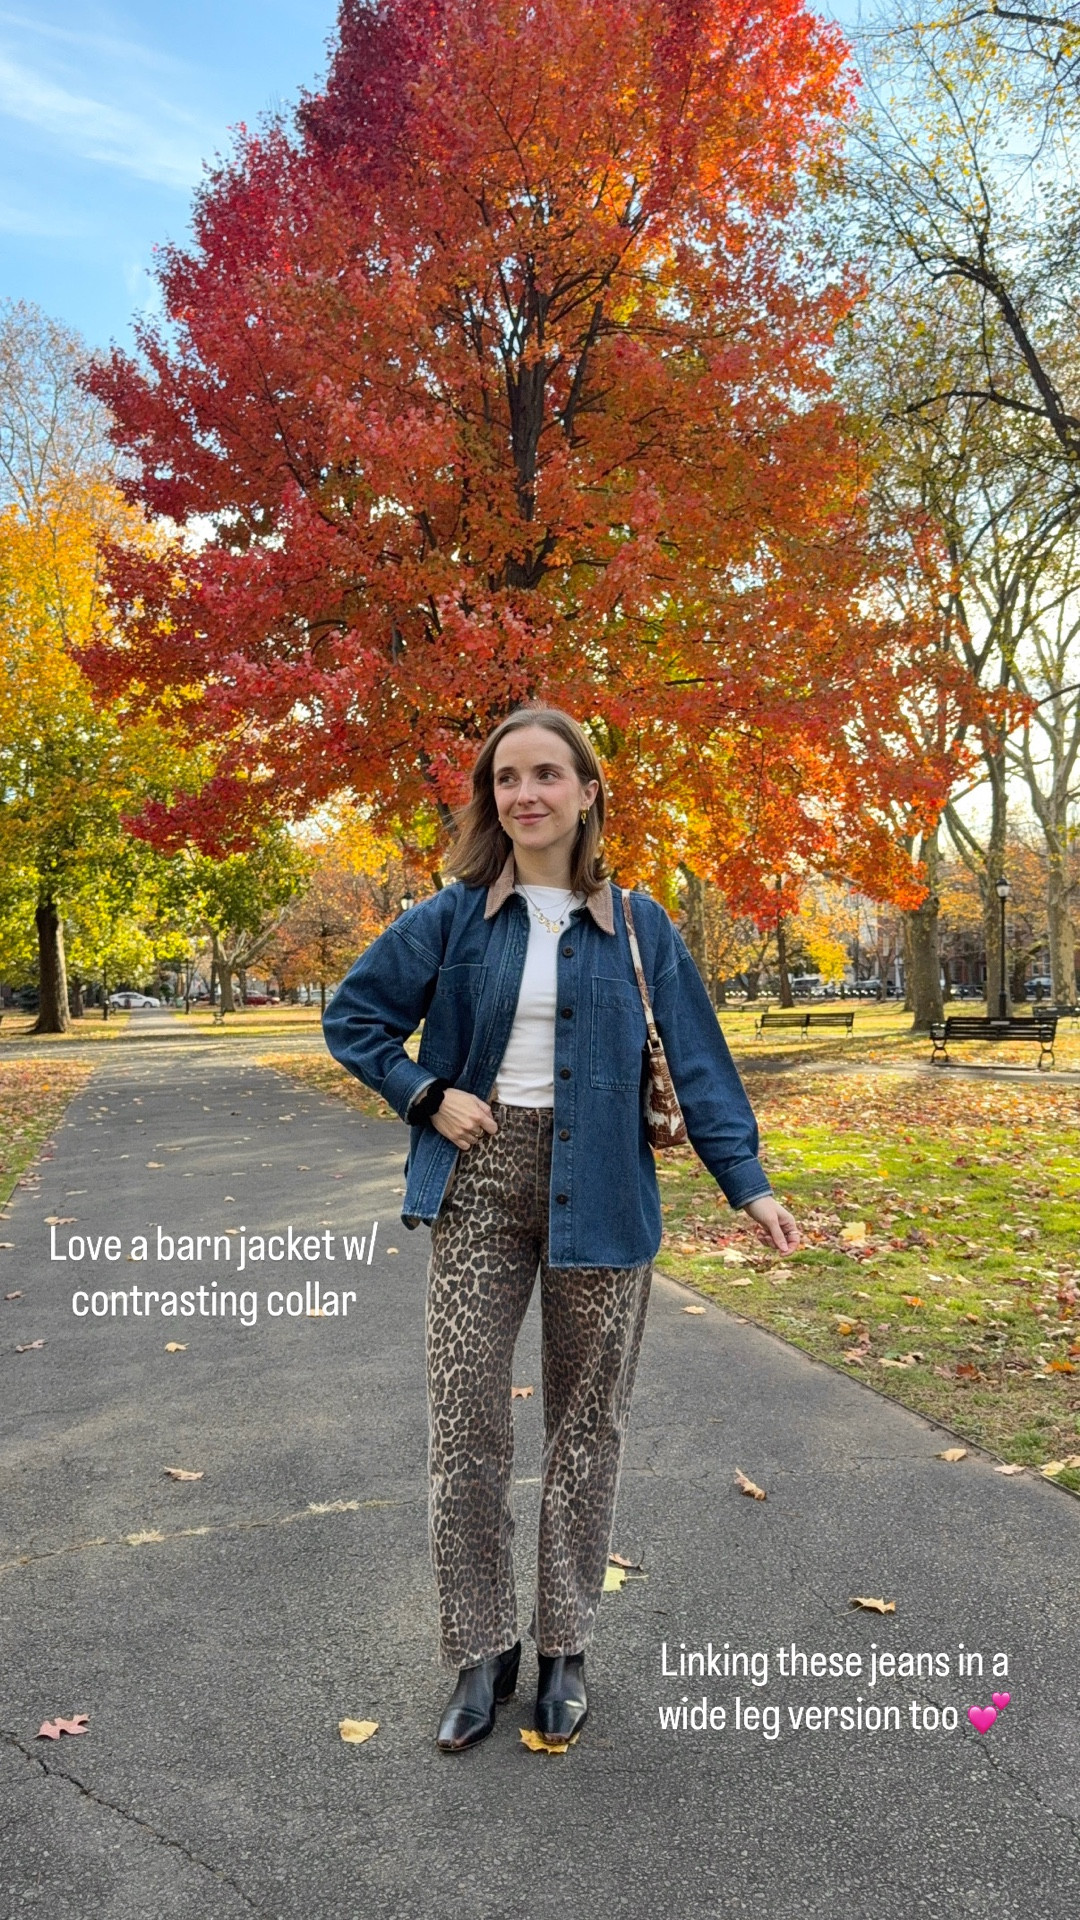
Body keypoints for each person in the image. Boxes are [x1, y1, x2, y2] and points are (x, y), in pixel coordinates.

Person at [322, 707, 799, 1752]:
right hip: (478, 1183)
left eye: (547, 775)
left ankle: (565, 1646)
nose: (525, 795)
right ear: (491, 799)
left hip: (607, 1188)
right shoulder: (450, 919)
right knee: (466, 1431)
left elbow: (704, 1064)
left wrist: (748, 1183)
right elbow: (353, 1018)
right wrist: (424, 1093)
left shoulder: (640, 925)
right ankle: (479, 1649)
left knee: (589, 1431)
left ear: (587, 791)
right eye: (506, 779)